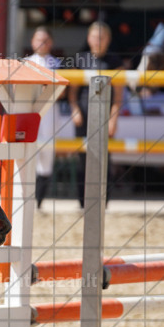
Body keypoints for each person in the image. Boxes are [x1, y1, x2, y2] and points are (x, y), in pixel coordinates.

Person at [67, 21, 123, 207]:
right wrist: (74, 109)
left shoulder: (115, 61)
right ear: (89, 39)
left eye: (102, 37)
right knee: (83, 158)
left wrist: (113, 119)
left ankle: (103, 202)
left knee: (104, 158)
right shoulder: (80, 59)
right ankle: (82, 202)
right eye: (95, 37)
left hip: (104, 114)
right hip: (83, 113)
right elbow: (73, 92)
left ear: (108, 39)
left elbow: (119, 96)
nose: (98, 40)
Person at [24, 26, 61, 208]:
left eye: (45, 40)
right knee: (26, 153)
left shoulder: (57, 63)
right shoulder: (25, 63)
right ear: (32, 41)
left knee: (46, 155)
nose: (41, 43)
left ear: (51, 43)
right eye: (38, 39)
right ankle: (26, 199)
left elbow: (61, 90)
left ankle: (39, 202)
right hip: (28, 111)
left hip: (49, 113)